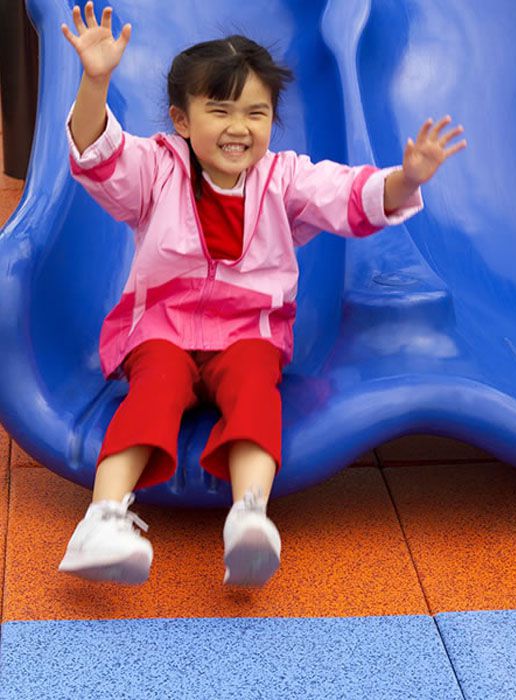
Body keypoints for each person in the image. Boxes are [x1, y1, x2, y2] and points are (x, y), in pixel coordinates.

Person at [57, 2, 467, 587]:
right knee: (154, 392)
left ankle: (249, 516)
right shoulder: (157, 169)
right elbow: (101, 159)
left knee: (254, 390)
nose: (238, 127)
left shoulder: (284, 178)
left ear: (271, 123)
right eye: (218, 110)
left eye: (255, 113)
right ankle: (102, 519)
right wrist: (96, 80)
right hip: (163, 330)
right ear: (181, 119)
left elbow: (350, 196)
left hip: (248, 332)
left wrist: (408, 179)